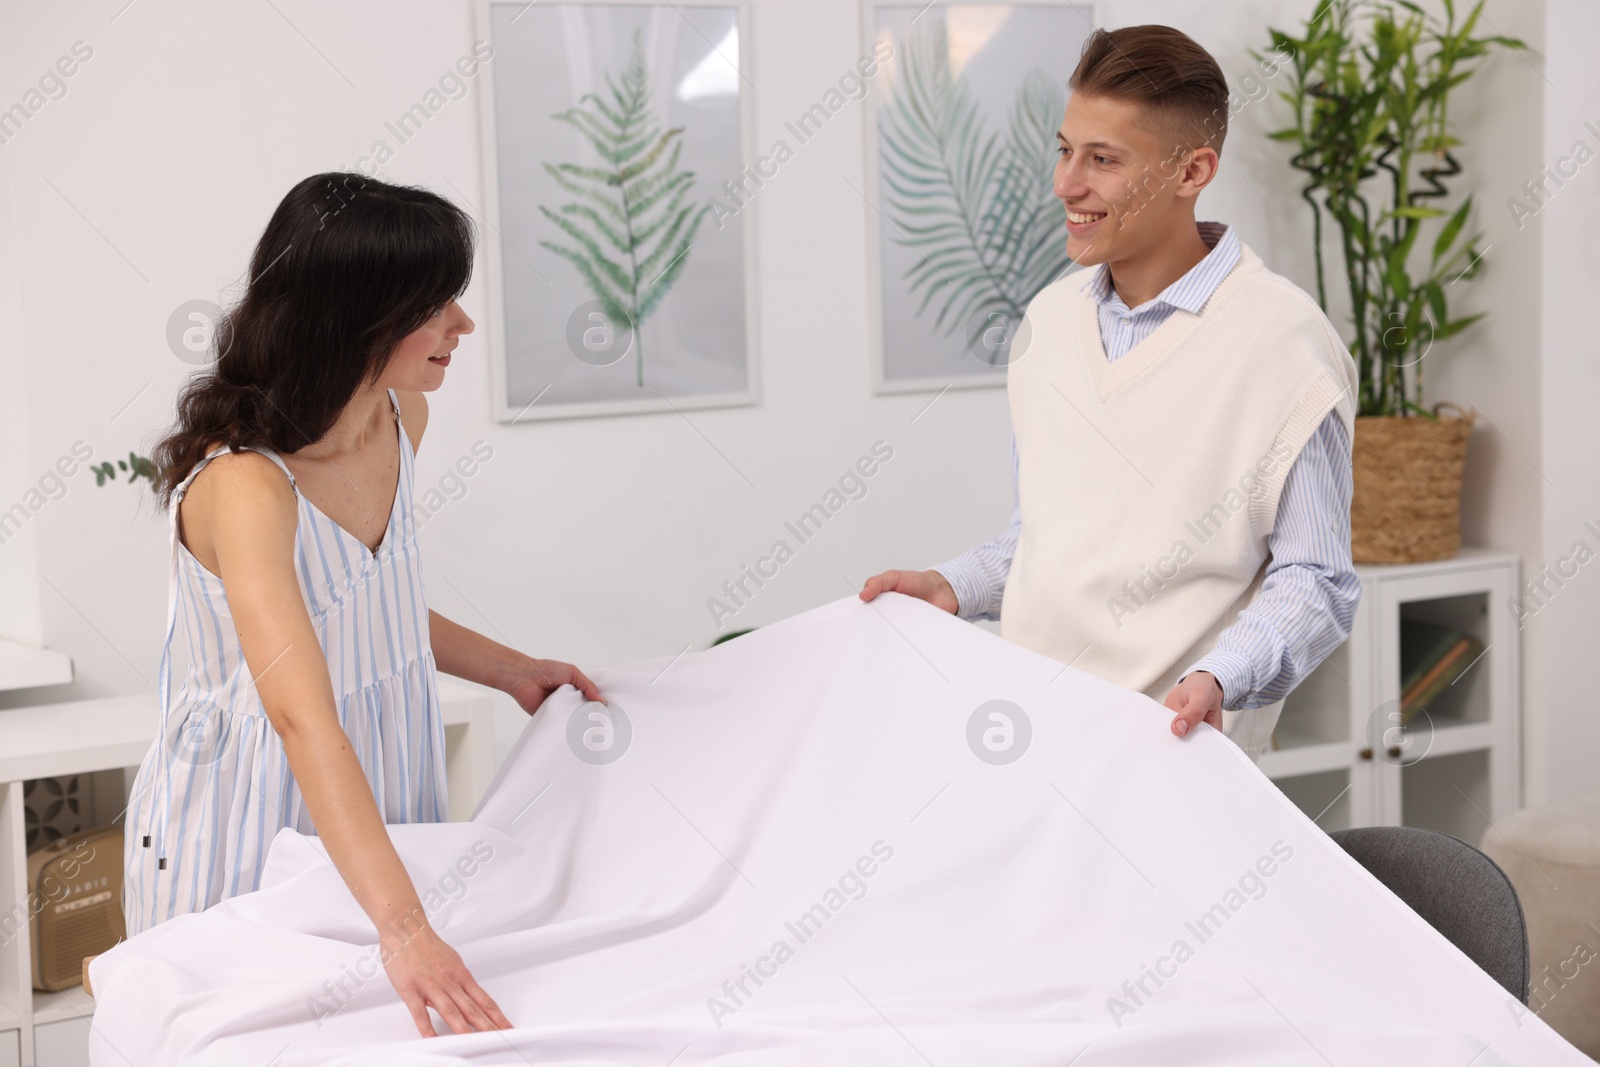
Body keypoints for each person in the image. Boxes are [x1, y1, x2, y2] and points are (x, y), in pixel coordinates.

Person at [124, 172, 602, 1038]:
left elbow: (365, 605)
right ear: (358, 316)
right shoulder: (245, 487)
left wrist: (509, 669)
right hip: (248, 810)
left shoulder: (399, 416)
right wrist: (407, 927)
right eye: (436, 303)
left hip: (376, 786)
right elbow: (301, 713)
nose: (462, 325)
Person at [861, 25, 1359, 761]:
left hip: (1178, 764)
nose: (1066, 184)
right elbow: (1048, 541)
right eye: (1065, 150)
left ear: (1192, 171)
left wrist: (1223, 675)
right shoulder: (1047, 324)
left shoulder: (1285, 343)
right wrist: (953, 586)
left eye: (1103, 160)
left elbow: (1316, 580)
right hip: (1031, 750)